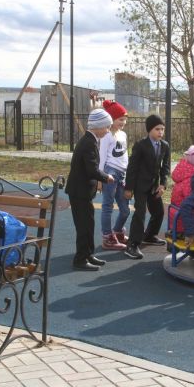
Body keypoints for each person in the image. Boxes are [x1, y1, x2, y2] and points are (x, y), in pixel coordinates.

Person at [65, 109, 115, 271]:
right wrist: (106, 177)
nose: (108, 130)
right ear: (98, 126)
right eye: (106, 127)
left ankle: (88, 254)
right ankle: (80, 259)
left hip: (83, 192)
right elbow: (91, 170)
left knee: (89, 224)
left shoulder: (90, 140)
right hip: (79, 192)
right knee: (83, 226)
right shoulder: (88, 143)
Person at [124, 114, 170, 259]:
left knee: (159, 212)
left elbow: (166, 167)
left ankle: (149, 235)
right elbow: (132, 167)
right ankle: (132, 244)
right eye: (157, 129)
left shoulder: (165, 146)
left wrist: (162, 184)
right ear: (150, 130)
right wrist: (128, 188)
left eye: (162, 129)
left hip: (154, 186)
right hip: (139, 185)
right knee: (140, 213)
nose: (160, 132)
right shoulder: (141, 145)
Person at [98, 100, 131, 251]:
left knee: (125, 209)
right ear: (111, 119)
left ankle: (117, 232)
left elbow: (125, 156)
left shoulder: (123, 134)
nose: (123, 122)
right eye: (120, 119)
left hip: (122, 174)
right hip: (110, 172)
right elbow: (102, 156)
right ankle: (107, 237)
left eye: (124, 119)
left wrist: (128, 173)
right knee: (107, 206)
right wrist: (100, 177)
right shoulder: (106, 136)